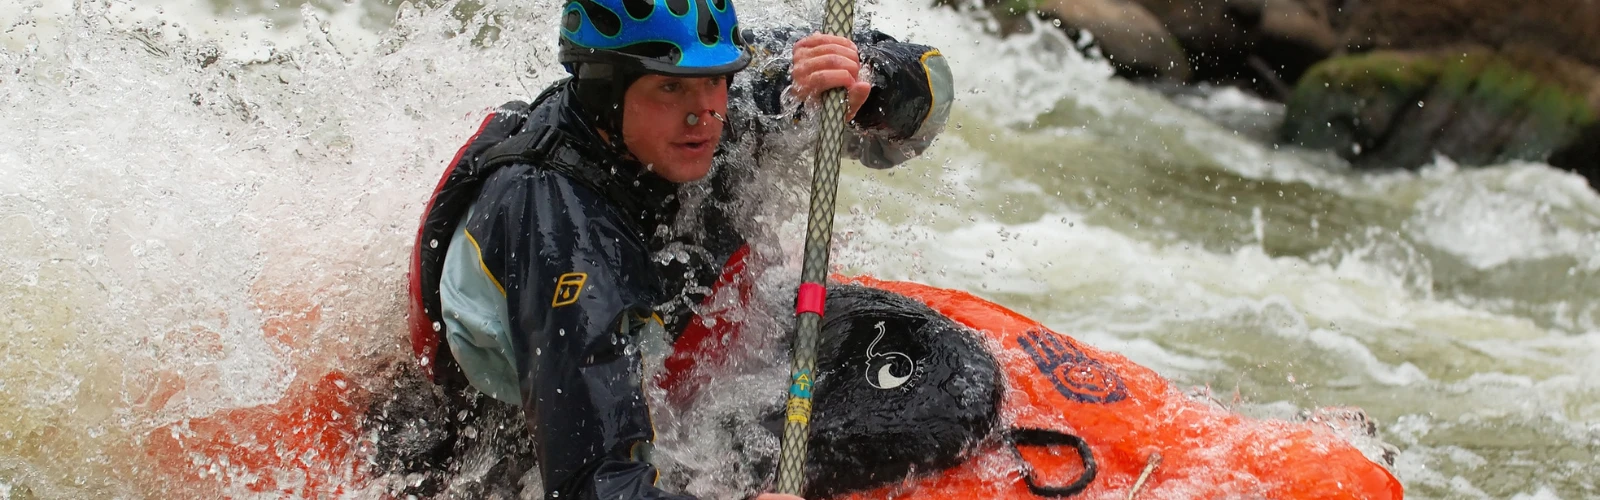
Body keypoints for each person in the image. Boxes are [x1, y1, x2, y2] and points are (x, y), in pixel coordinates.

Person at [404, 0, 953, 497]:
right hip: (506, 437)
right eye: (670, 89)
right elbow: (591, 483)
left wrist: (871, 83)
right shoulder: (562, 232)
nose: (705, 114)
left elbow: (933, 81)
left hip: (676, 341)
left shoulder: (732, 91)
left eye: (715, 81)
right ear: (605, 90)